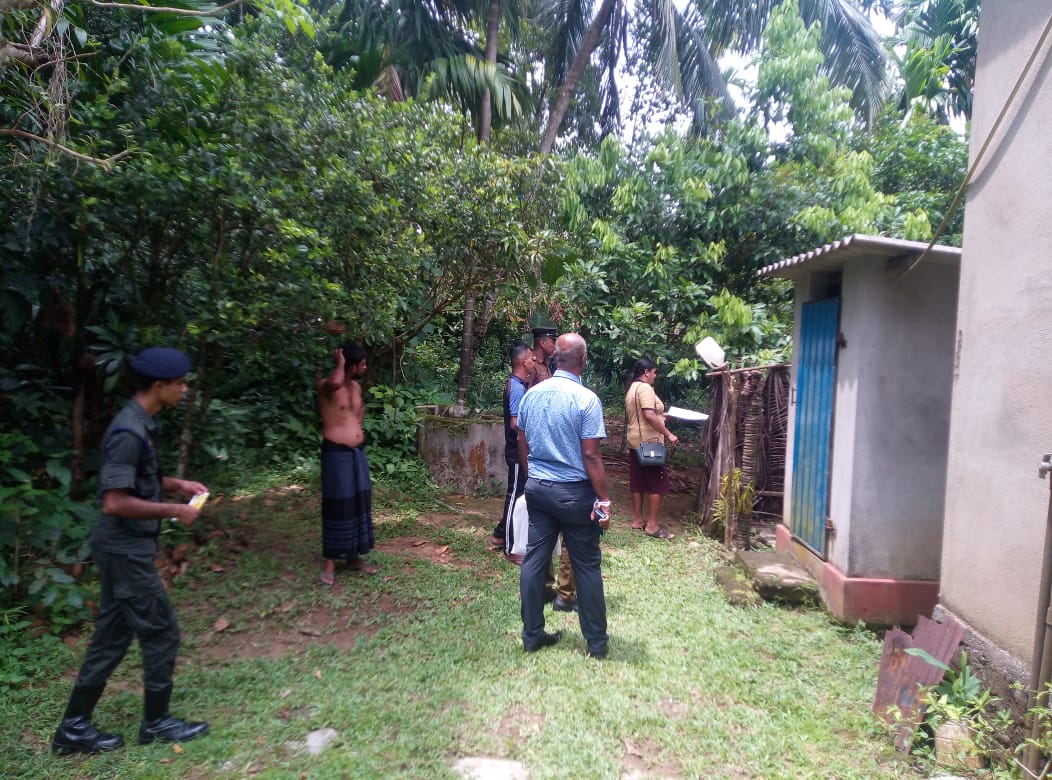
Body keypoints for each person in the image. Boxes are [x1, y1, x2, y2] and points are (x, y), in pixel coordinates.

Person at [52, 347, 210, 755]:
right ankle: (156, 724)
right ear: (159, 386)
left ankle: (73, 730)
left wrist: (176, 485)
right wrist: (174, 510)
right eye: (180, 383)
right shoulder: (128, 431)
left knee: (112, 637)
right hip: (124, 551)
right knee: (161, 632)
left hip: (124, 548)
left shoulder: (142, 423)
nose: (184, 389)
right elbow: (115, 502)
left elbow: (141, 477)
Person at [516, 333, 611, 658]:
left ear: (555, 358)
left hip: (539, 489)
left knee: (534, 560)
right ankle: (596, 644)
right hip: (574, 495)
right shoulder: (586, 400)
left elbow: (522, 443)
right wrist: (604, 500)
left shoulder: (531, 395)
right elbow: (592, 456)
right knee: (586, 565)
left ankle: (532, 635)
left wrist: (534, 480)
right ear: (582, 362)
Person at [317, 343, 377, 585]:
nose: (365, 366)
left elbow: (358, 413)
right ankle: (330, 564)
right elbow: (333, 384)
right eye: (361, 363)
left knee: (358, 503)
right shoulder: (326, 386)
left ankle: (354, 558)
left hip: (356, 454)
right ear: (350, 365)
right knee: (337, 505)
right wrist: (339, 364)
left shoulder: (356, 386)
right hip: (336, 454)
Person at [489, 341, 536, 558]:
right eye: (532, 359)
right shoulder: (516, 386)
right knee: (514, 496)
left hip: (520, 450)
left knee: (519, 493)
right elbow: (515, 423)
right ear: (523, 361)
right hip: (517, 451)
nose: (534, 362)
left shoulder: (520, 383)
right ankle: (509, 547)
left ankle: (500, 535)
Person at [624, 357, 679, 539]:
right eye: (654, 372)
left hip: (635, 440)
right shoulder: (645, 388)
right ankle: (652, 525)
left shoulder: (633, 387)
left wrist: (661, 417)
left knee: (638, 480)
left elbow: (645, 414)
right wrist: (669, 433)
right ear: (647, 372)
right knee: (657, 482)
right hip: (649, 442)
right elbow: (648, 414)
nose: (655, 376)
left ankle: (638, 519)